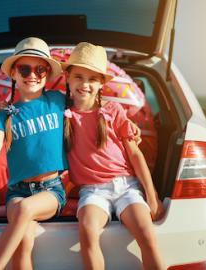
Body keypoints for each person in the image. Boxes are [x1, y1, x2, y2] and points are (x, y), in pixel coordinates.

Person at [63, 42, 165, 270]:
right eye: (78, 76)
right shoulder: (62, 116)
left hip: (126, 186)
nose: (85, 84)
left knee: (146, 233)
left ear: (101, 84)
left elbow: (135, 154)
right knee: (88, 231)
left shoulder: (113, 111)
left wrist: (152, 195)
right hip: (92, 190)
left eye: (92, 79)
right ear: (67, 77)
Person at [0, 37, 67, 270]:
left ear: (47, 74)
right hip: (17, 191)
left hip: (50, 189)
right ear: (13, 74)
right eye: (25, 69)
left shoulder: (57, 101)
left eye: (40, 69)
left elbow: (88, 105)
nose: (33, 75)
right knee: (23, 240)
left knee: (25, 210)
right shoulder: (5, 114)